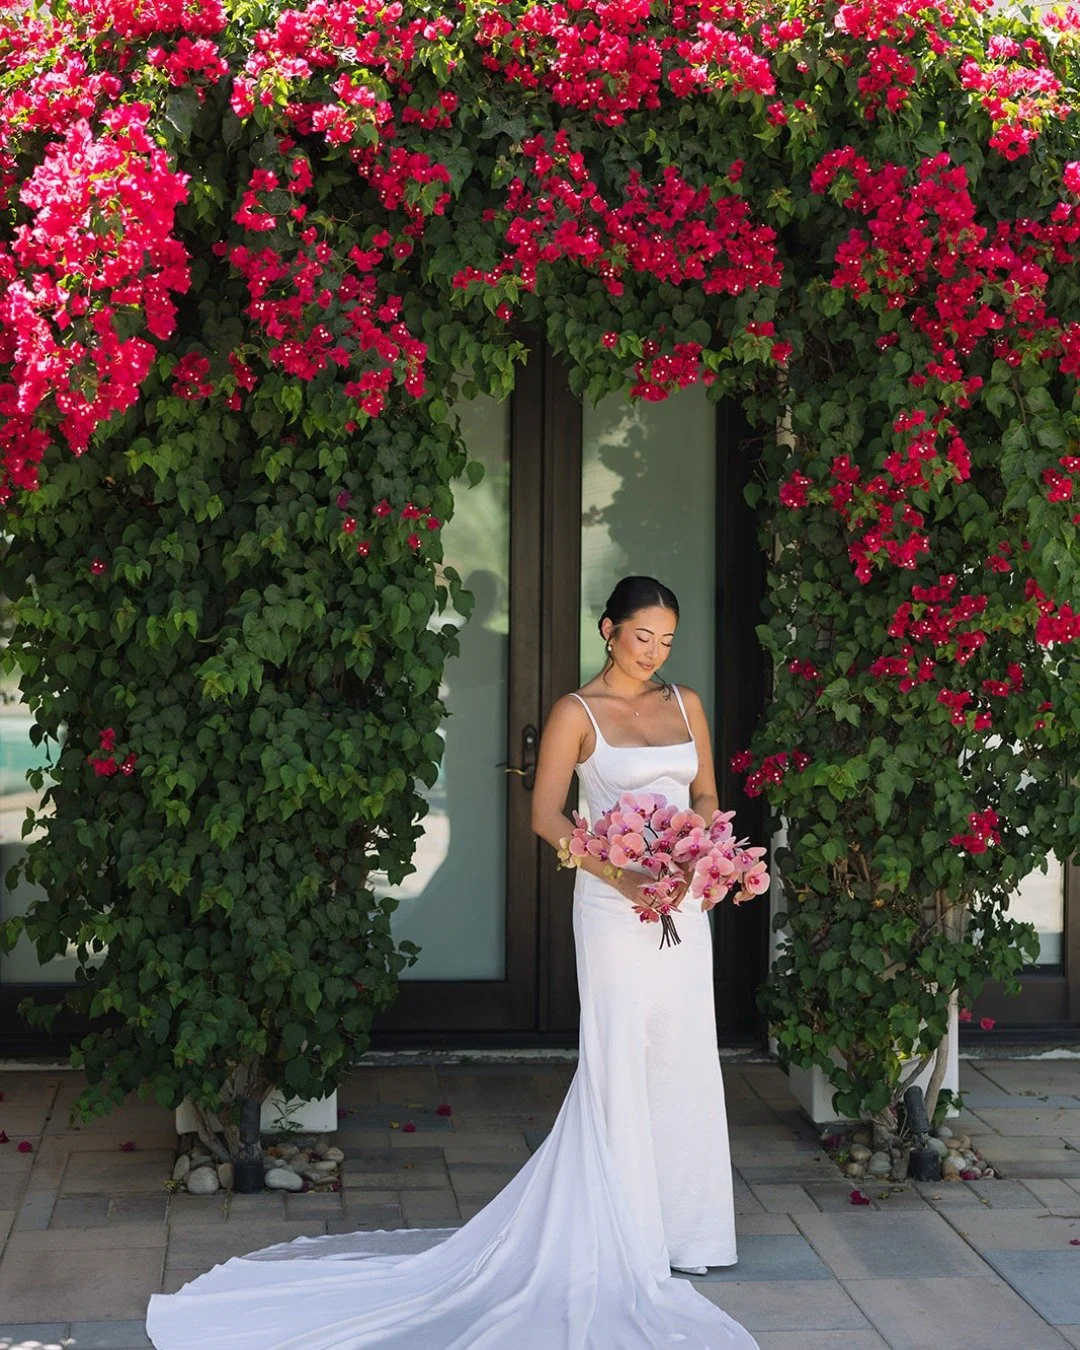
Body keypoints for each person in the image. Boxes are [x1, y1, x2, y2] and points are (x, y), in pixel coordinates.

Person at [146, 574, 757, 1349]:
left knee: (683, 1054)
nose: (656, 653)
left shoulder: (686, 705)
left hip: (683, 904)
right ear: (608, 630)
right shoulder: (578, 712)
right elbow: (545, 815)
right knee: (621, 1052)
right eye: (643, 637)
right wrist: (621, 871)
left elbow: (705, 793)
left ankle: (690, 1234)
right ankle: (624, 1232)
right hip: (613, 906)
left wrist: (699, 851)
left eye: (667, 640)